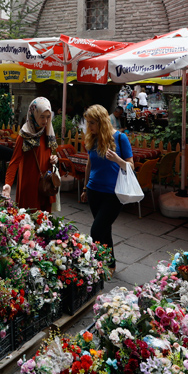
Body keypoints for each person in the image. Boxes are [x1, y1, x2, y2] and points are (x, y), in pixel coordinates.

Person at [79, 104, 134, 274]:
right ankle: (110, 264)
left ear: (102, 122)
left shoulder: (120, 138)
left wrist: (118, 159)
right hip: (94, 190)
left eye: (92, 123)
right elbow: (90, 164)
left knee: (96, 230)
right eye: (88, 123)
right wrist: (85, 188)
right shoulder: (93, 138)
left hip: (113, 193)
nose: (89, 127)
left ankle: (96, 264)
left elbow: (131, 166)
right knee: (104, 229)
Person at [3, 97, 59, 211]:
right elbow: (14, 162)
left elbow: (52, 154)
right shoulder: (24, 135)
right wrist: (8, 184)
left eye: (48, 117)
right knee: (29, 221)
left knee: (44, 222)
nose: (45, 121)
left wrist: (54, 159)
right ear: (33, 114)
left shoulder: (48, 132)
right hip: (29, 186)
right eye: (42, 117)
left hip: (46, 184)